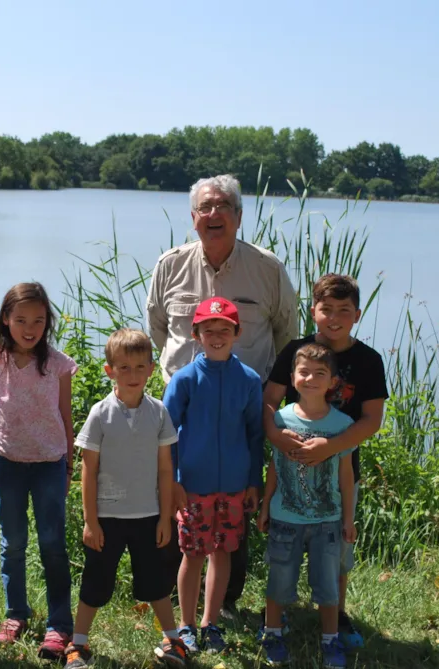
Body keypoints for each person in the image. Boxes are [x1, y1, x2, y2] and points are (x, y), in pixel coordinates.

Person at [146, 174, 298, 614]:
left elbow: (288, 334)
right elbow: (159, 329)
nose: (214, 215)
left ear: (239, 216)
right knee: (180, 496)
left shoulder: (267, 268)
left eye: (223, 207)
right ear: (193, 218)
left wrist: (269, 394)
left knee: (236, 498)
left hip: (245, 404)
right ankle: (181, 597)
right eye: (205, 208)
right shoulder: (170, 265)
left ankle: (226, 600)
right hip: (184, 405)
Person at [263, 274, 388, 649]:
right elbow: (269, 398)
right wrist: (274, 433)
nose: (334, 318)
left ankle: (338, 616)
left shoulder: (369, 360)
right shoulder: (296, 351)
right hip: (289, 467)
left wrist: (329, 449)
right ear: (313, 311)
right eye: (326, 310)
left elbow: (372, 420)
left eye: (344, 311)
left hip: (340, 470)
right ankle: (276, 615)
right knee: (284, 553)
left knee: (335, 556)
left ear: (357, 314)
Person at [65, 329, 189, 669]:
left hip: (149, 516)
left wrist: (165, 518)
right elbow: (87, 471)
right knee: (95, 582)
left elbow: (166, 470)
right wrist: (91, 521)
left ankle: (172, 640)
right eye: (124, 367)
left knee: (156, 582)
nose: (132, 375)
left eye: (139, 367)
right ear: (110, 371)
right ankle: (77, 646)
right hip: (107, 517)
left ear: (151, 368)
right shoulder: (100, 414)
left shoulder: (159, 412)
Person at [163, 298, 263, 654]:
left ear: (237, 333)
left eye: (225, 330)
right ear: (196, 334)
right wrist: (173, 481)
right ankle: (186, 624)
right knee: (192, 554)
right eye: (209, 330)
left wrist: (254, 481)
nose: (217, 336)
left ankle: (211, 622)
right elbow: (166, 433)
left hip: (234, 486)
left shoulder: (249, 381)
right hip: (192, 487)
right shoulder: (184, 379)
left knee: (223, 552)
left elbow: (255, 434)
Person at [0, 282, 77, 659]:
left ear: (48, 323)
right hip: (6, 461)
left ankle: (59, 625)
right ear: (6, 319)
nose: (30, 328)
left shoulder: (57, 364)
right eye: (21, 319)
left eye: (38, 320)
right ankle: (16, 614)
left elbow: (66, 415)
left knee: (53, 546)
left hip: (49, 464)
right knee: (13, 544)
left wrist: (70, 461)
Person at [257, 343, 356, 669]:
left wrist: (348, 519)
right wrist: (265, 505)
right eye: (304, 372)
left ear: (332, 382)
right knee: (279, 580)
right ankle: (272, 632)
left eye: (320, 373)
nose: (311, 378)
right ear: (292, 377)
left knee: (327, 586)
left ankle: (330, 640)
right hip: (285, 518)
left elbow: (345, 476)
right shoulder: (281, 419)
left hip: (328, 521)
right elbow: (273, 467)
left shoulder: (341, 425)